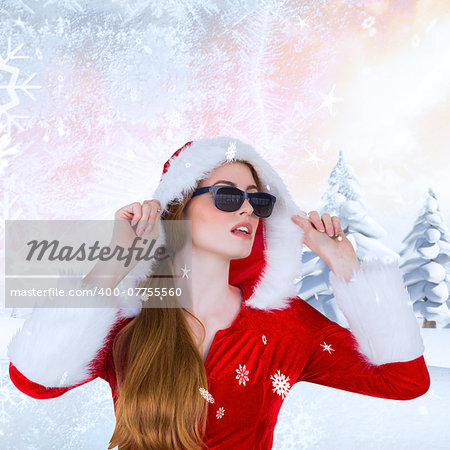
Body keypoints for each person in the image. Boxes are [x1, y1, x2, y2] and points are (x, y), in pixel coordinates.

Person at [8, 136, 430, 450]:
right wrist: (113, 264)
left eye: (258, 201)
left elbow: (404, 381)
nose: (247, 208)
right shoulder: (125, 319)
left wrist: (346, 267)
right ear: (179, 206)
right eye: (228, 196)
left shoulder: (284, 324)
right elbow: (34, 381)